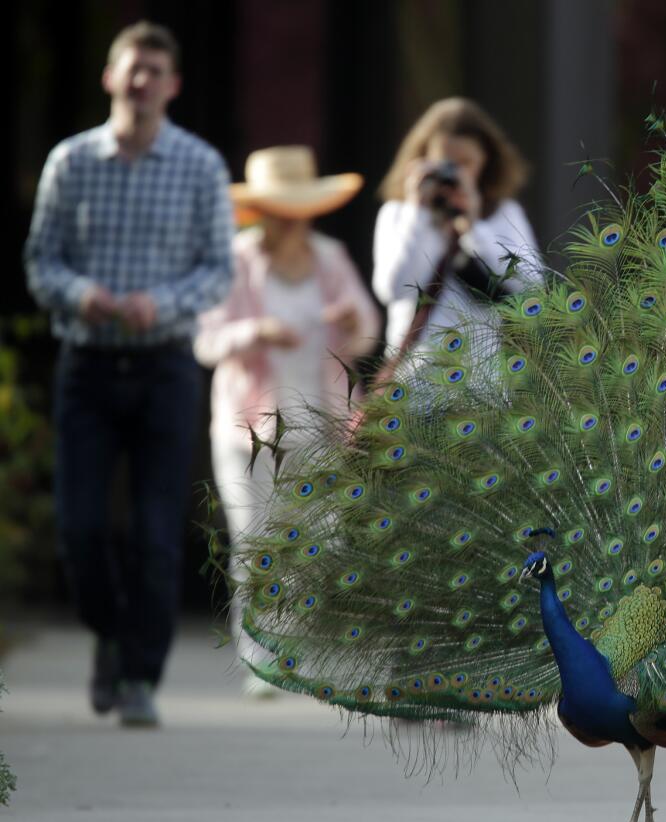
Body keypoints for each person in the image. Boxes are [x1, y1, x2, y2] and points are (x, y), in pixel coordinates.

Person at [24, 21, 234, 726]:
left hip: (165, 367)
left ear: (172, 85)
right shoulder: (70, 162)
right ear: (110, 77)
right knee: (80, 528)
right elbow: (40, 262)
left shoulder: (201, 165)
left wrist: (160, 303)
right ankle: (109, 634)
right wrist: (82, 294)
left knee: (154, 533)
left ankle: (140, 673)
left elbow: (217, 271)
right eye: (131, 69)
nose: (141, 82)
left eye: (155, 72)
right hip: (86, 363)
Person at [194, 146, 380, 695]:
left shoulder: (329, 257)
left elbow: (366, 330)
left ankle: (295, 648)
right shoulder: (236, 260)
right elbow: (206, 340)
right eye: (278, 207)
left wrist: (351, 322)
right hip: (248, 426)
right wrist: (256, 332)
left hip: (319, 419)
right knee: (253, 537)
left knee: (317, 539)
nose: (288, 218)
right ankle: (258, 657)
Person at [373, 98, 541, 379]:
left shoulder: (503, 214)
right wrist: (419, 213)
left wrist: (474, 228)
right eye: (446, 164)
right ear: (423, 159)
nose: (455, 174)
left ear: (486, 161)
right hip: (413, 387)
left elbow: (531, 284)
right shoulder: (398, 214)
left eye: (466, 164)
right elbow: (392, 289)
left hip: (480, 388)